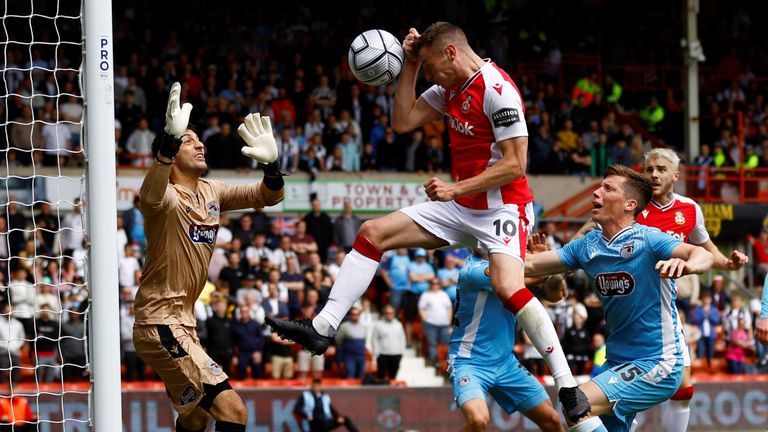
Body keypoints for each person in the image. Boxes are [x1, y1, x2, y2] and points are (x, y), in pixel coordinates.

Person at [267, 22, 582, 411]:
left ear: (451, 53)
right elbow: (402, 122)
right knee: (372, 232)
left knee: (506, 286)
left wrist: (455, 189)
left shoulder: (498, 91)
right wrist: (411, 65)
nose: (430, 77)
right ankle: (322, 327)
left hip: (505, 206)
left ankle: (567, 386)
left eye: (430, 67)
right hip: (462, 205)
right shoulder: (448, 87)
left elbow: (516, 166)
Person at [132, 82, 285, 432]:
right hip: (160, 323)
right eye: (188, 140)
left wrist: (273, 165)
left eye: (198, 139)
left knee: (196, 416)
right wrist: (168, 144)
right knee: (234, 412)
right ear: (171, 155)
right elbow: (149, 192)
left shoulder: (212, 191)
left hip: (184, 324)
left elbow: (269, 196)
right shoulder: (165, 198)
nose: (200, 143)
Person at [525, 165, 714, 432]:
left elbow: (702, 254)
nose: (596, 192)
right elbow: (529, 267)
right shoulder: (587, 245)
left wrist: (688, 265)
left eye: (608, 189)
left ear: (629, 205)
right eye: (600, 186)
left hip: (658, 363)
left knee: (576, 403)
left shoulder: (649, 239)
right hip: (616, 364)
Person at [575, 148, 749, 432]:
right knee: (645, 384)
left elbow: (707, 251)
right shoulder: (631, 207)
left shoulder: (690, 209)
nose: (654, 174)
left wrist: (728, 264)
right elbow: (587, 233)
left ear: (676, 176)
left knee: (683, 387)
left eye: (661, 169)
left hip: (664, 306)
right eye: (649, 169)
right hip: (629, 305)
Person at [449, 251, 562, 432]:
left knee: (551, 419)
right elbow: (513, 281)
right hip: (469, 362)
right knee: (478, 420)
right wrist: (543, 267)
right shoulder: (474, 270)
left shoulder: (509, 263)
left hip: (505, 362)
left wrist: (540, 261)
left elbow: (536, 286)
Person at [294, 378, 358, 432]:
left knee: (345, 419)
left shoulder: (325, 396)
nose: (317, 387)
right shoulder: (305, 395)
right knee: (317, 420)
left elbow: (331, 408)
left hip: (325, 421)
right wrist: (306, 416)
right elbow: (297, 408)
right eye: (315, 385)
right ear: (312, 386)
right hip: (312, 421)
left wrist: (338, 416)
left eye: (318, 385)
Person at [370, 304, 406, 381]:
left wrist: (401, 352)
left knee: (393, 377)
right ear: (384, 313)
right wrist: (377, 353)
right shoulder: (379, 325)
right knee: (382, 377)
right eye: (387, 313)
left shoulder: (398, 324)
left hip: (396, 354)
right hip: (383, 354)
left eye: (391, 313)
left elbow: (402, 339)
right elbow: (374, 339)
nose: (390, 315)